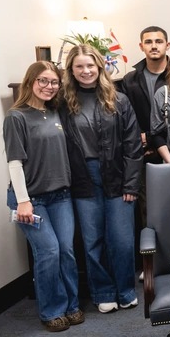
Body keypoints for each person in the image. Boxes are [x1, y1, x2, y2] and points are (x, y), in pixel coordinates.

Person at [60, 44, 143, 314]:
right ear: (71, 71)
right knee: (92, 239)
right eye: (79, 67)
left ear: (100, 67)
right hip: (83, 178)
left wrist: (132, 184)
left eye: (90, 65)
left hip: (117, 177)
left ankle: (126, 290)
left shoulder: (118, 99)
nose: (86, 71)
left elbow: (133, 145)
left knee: (121, 239)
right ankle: (103, 291)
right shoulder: (62, 103)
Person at [4, 61, 83, 332]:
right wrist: (23, 200)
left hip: (60, 195)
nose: (49, 87)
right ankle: (52, 311)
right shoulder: (16, 117)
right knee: (48, 251)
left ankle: (72, 306)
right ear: (30, 82)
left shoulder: (55, 113)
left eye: (54, 82)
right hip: (31, 199)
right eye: (43, 81)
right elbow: (14, 162)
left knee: (67, 251)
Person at [121, 25, 170, 160]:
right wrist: (141, 138)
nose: (154, 46)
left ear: (168, 45)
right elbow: (126, 116)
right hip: (142, 150)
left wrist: (151, 137)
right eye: (148, 42)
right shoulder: (130, 80)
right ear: (141, 46)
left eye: (159, 41)